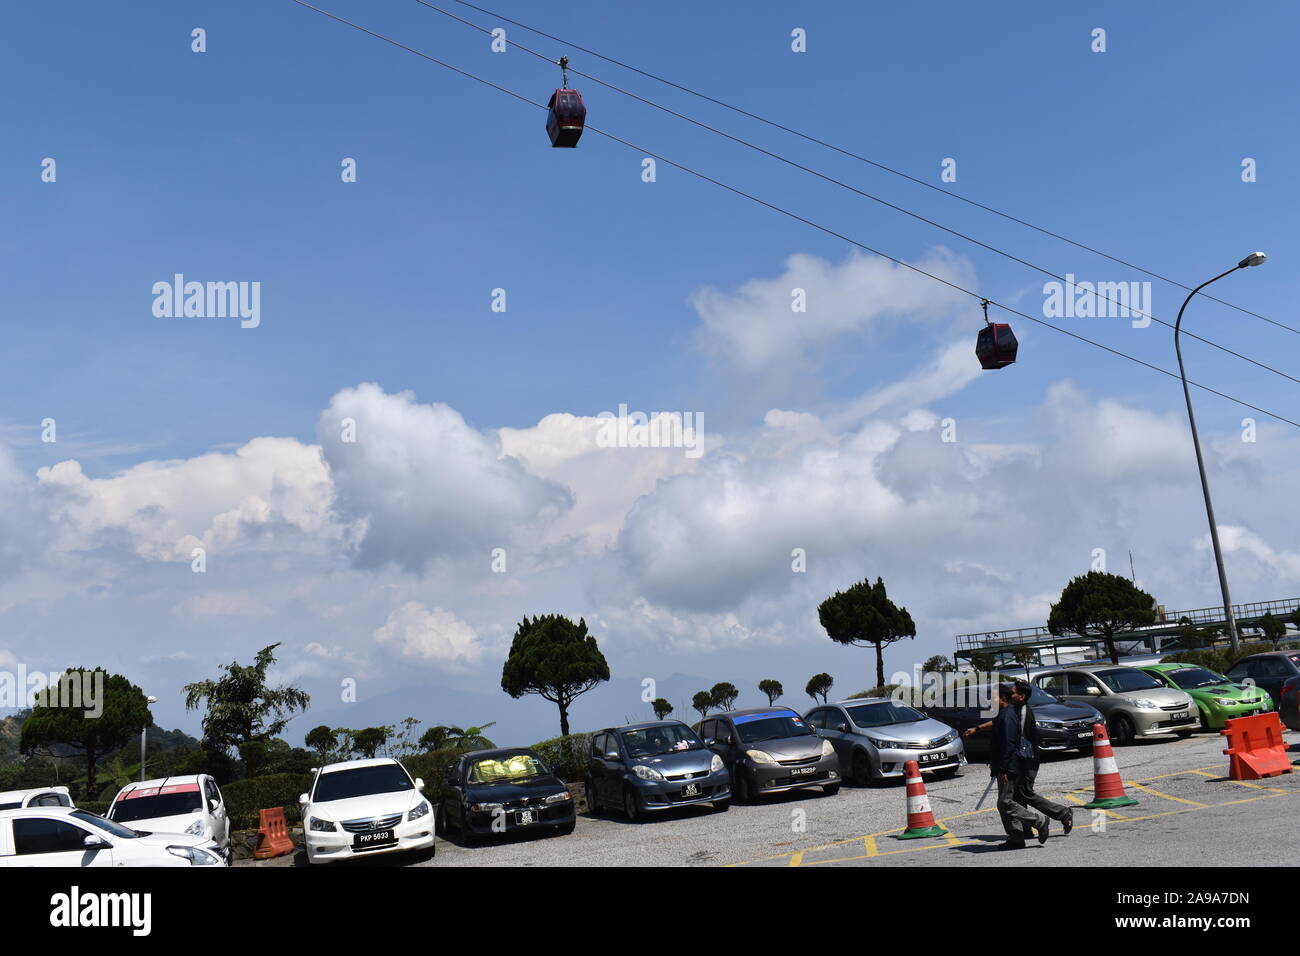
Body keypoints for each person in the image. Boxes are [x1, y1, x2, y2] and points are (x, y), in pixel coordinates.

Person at [988, 683, 1049, 849]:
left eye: (993, 697)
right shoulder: (1003, 714)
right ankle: (1016, 838)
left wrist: (1003, 768)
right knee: (1005, 803)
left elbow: (1009, 744)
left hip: (1009, 767)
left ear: (1003, 698)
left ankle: (1039, 821)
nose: (990, 700)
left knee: (1005, 803)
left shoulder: (1007, 716)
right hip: (1005, 766)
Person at [1011, 680, 1074, 835]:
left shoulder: (1024, 712)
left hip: (1028, 760)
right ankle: (1026, 829)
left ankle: (1063, 813)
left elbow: (1020, 738)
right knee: (1017, 794)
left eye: (1013, 693)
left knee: (1025, 792)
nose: (1009, 695)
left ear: (1022, 696)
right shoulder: (1015, 709)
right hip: (1021, 759)